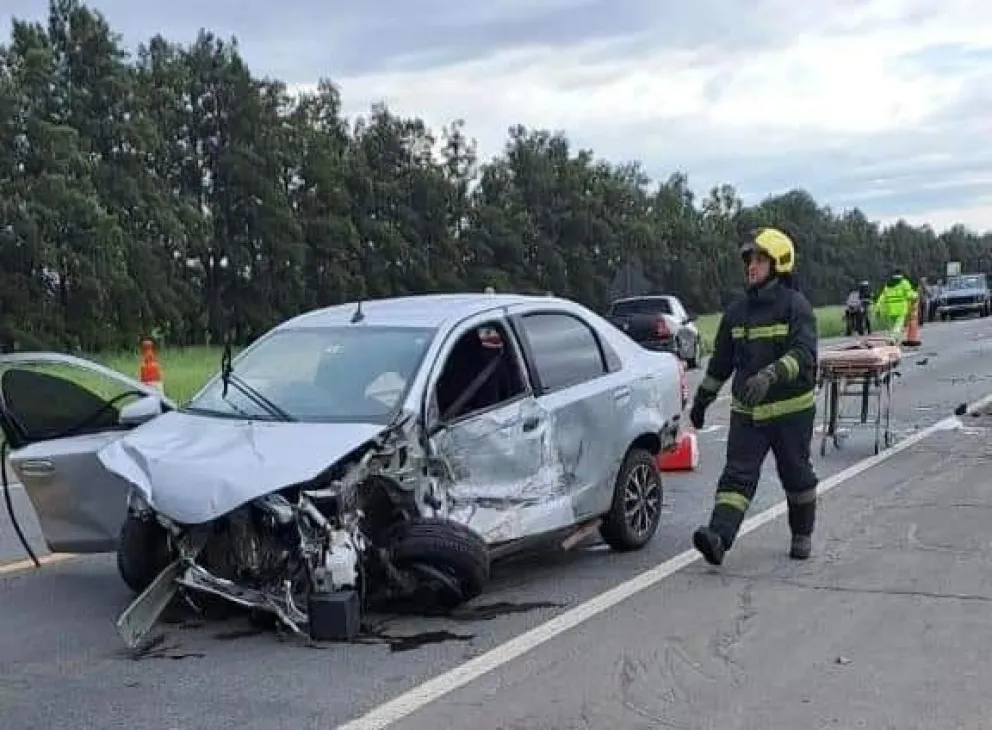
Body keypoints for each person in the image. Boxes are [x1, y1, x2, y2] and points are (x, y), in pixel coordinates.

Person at [688, 227, 819, 564]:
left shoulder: (796, 307)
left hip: (792, 413)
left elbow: (804, 354)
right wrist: (703, 398)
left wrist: (771, 374)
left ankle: (802, 534)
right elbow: (720, 363)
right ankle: (718, 538)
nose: (752, 266)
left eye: (760, 259)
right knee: (736, 477)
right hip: (749, 412)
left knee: (796, 476)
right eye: (750, 259)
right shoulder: (736, 311)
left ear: (778, 264)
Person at [875, 269, 917, 338]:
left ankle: (893, 339)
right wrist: (916, 295)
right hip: (901, 308)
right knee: (898, 325)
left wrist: (878, 307)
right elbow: (909, 294)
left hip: (889, 309)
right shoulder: (904, 283)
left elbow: (882, 297)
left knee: (892, 327)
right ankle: (893, 338)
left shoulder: (888, 284)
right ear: (901, 275)